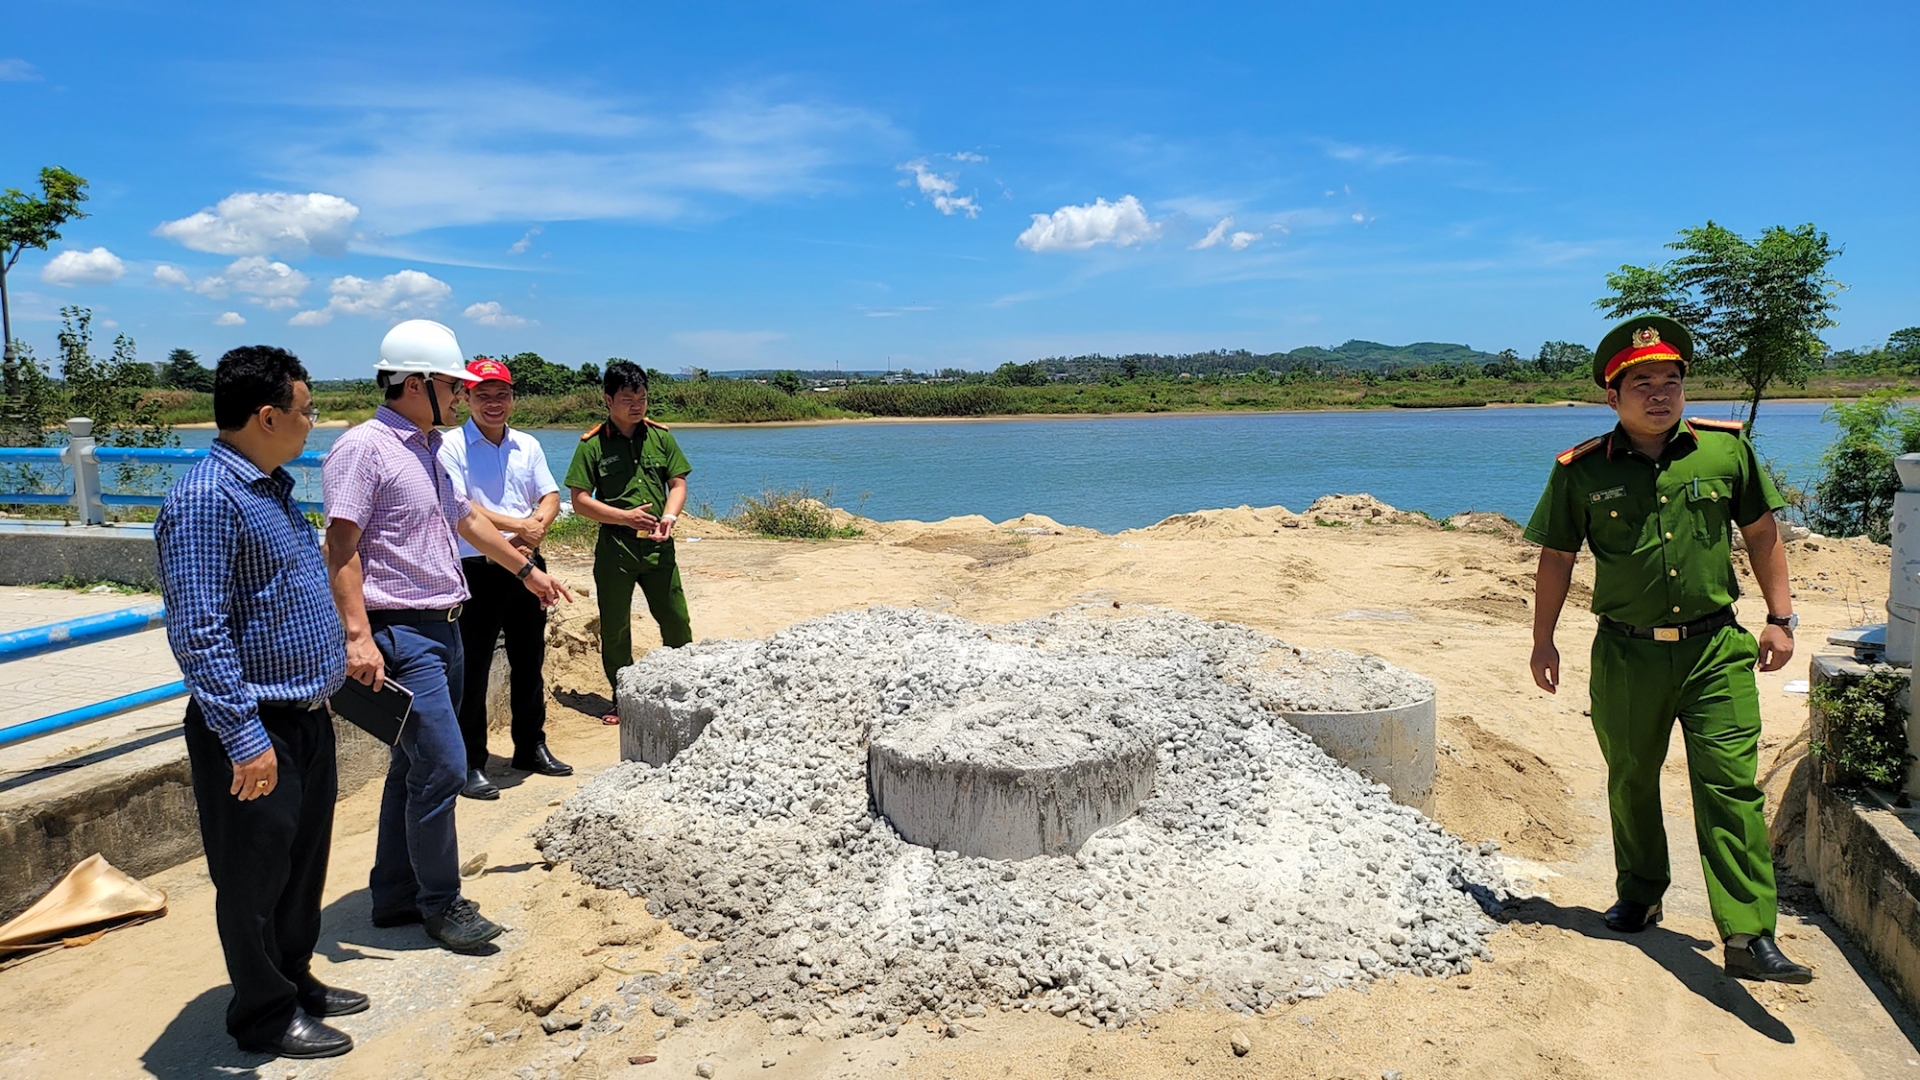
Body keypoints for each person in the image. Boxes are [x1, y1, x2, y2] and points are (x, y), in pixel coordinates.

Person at [1525, 314, 1811, 983]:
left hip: (1716, 651)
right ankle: (1641, 892)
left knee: (1731, 787)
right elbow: (1557, 557)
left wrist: (1781, 618)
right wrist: (1543, 639)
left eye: (1672, 381)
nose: (1660, 393)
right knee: (1631, 778)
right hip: (1627, 655)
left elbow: (1763, 534)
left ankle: (1748, 933)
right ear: (1612, 396)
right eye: (1643, 383)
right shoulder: (1580, 471)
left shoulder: (1725, 452)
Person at [322, 320, 571, 955]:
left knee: (411, 766)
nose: (462, 397)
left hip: (445, 626)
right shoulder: (364, 449)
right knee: (444, 765)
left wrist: (527, 572)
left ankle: (394, 894)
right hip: (400, 631)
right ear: (414, 383)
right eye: (452, 386)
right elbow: (341, 548)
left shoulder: (430, 449)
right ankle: (442, 902)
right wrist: (357, 636)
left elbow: (465, 520)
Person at [154, 345, 361, 1059]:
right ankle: (263, 1013)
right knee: (252, 878)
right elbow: (198, 629)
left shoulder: (268, 486)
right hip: (252, 724)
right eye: (307, 412)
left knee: (302, 864)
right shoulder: (207, 498)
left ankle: (295, 976)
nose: (315, 424)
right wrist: (243, 737)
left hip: (303, 713)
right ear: (267, 416)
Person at [438, 356, 570, 800]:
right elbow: (462, 509)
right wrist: (517, 527)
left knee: (529, 661)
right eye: (483, 395)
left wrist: (534, 531)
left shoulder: (527, 445)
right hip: (476, 567)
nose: (493, 403)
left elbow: (549, 494)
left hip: (528, 563)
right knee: (472, 668)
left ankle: (530, 746)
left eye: (502, 395)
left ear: (513, 398)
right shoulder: (450, 446)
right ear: (467, 398)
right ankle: (471, 761)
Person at [563, 360, 693, 721]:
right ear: (608, 399)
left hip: (658, 544)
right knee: (616, 626)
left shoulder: (661, 437)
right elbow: (579, 501)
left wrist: (669, 517)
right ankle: (624, 698)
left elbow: (678, 483)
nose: (636, 405)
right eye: (627, 398)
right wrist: (624, 517)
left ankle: (686, 686)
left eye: (642, 397)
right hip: (615, 547)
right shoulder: (592, 445)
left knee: (676, 619)